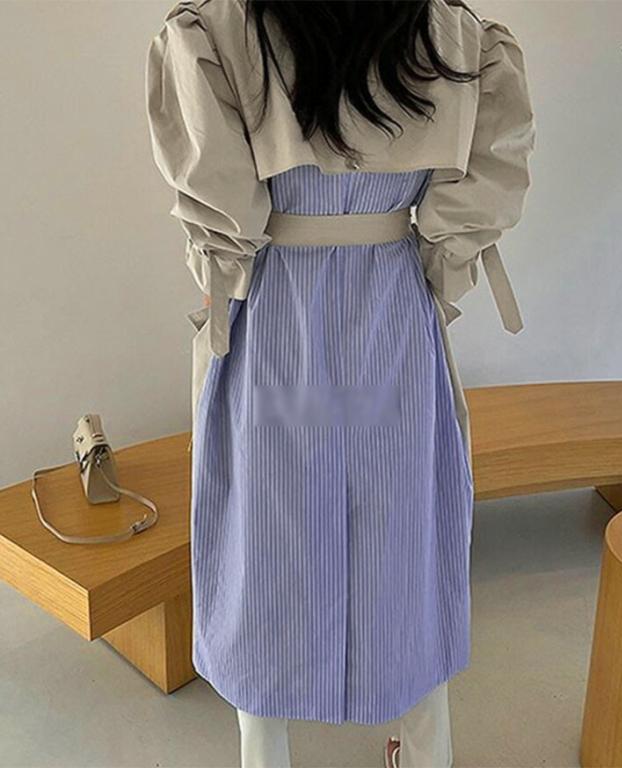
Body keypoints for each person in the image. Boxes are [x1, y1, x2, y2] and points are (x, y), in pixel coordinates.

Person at [144, 0, 535, 765]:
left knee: (263, 540)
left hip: (273, 312)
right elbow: (483, 189)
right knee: (406, 531)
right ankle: (425, 751)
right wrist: (431, 266)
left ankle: (266, 753)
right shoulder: (459, 36)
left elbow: (221, 216)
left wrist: (220, 291)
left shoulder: (212, 33)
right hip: (391, 307)